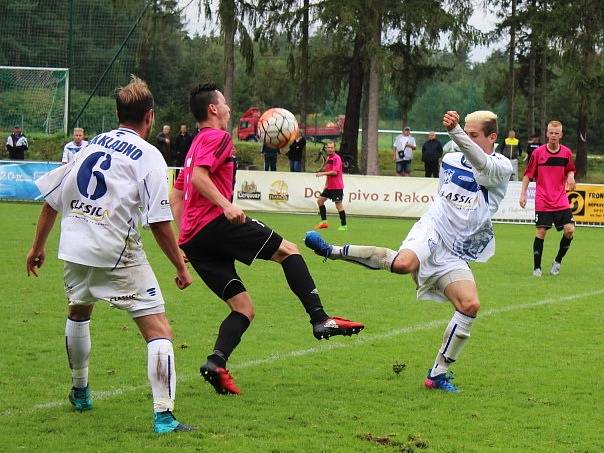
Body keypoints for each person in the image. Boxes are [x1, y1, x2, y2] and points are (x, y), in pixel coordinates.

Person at [169, 83, 364, 395]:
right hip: (217, 224)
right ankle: (320, 318)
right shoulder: (217, 137)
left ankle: (216, 362)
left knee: (243, 307)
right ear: (213, 109)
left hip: (196, 239)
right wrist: (226, 205)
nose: (229, 108)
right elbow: (198, 179)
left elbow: (177, 195)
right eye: (224, 102)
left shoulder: (194, 146)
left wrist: (184, 240)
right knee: (289, 251)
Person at [25, 76, 194, 433]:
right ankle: (164, 417)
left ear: (119, 114)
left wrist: (37, 247)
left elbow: (52, 201)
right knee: (158, 329)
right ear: (149, 117)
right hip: (116, 252)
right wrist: (180, 264)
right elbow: (160, 221)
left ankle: (81, 391)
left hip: (74, 248)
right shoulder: (149, 155)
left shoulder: (88, 146)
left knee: (78, 310)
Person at [305, 110, 513, 393]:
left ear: (492, 137)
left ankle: (438, 373)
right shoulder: (451, 159)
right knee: (403, 264)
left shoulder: (501, 167)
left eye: (473, 135)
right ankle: (333, 250)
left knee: (469, 305)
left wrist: (455, 133)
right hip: (432, 229)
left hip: (455, 251)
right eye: (466, 132)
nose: (467, 138)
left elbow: (481, 165)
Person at [519, 120, 576, 277]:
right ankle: (537, 268)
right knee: (541, 232)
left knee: (570, 230)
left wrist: (571, 177)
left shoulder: (566, 153)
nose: (553, 135)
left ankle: (557, 262)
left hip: (560, 199)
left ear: (561, 135)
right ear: (546, 134)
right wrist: (523, 193)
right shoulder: (538, 153)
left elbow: (570, 170)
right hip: (543, 199)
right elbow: (528, 175)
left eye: (556, 133)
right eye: (551, 132)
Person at [315, 141, 347, 231]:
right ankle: (324, 222)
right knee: (320, 201)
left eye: (331, 147)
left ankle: (344, 225)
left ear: (334, 148)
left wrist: (322, 173)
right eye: (328, 147)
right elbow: (329, 173)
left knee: (338, 205)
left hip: (337, 186)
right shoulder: (329, 158)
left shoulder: (337, 158)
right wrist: (326, 184)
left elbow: (334, 172)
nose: (329, 149)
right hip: (329, 187)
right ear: (326, 149)